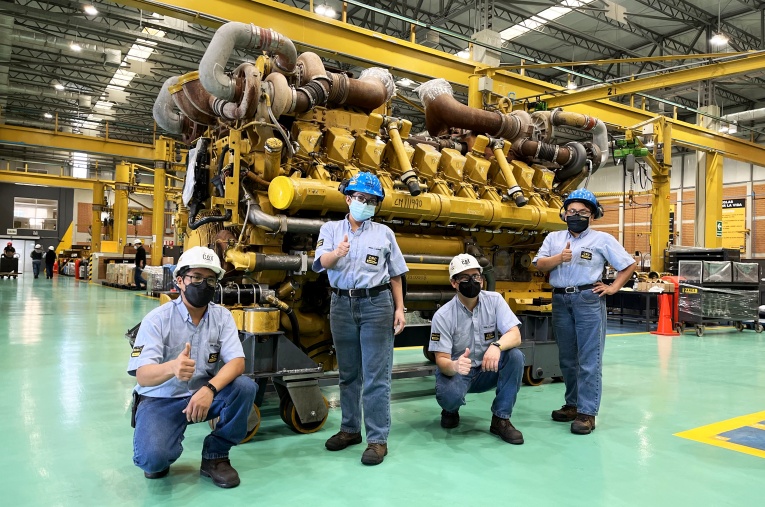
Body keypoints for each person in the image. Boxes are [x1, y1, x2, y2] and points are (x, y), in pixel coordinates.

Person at [127, 246, 257, 488]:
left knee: (244, 387)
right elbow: (143, 376)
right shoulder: (157, 319)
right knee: (152, 462)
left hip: (202, 395)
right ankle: (163, 447)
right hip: (161, 399)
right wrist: (172, 368)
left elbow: (237, 362)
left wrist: (209, 389)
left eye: (210, 280)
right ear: (180, 281)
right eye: (196, 277)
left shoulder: (222, 317)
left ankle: (216, 456)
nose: (203, 285)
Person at [312, 172, 408, 466]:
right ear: (348, 199)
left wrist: (400, 309)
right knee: (348, 374)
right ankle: (350, 430)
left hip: (376, 305)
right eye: (361, 199)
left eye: (372, 201)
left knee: (376, 376)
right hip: (341, 304)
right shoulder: (330, 230)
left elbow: (396, 274)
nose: (366, 204)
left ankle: (377, 440)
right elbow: (320, 263)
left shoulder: (384, 233)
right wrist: (337, 253)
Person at [533, 188, 636, 435]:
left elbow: (628, 265)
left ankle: (587, 412)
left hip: (588, 299)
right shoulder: (553, 238)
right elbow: (539, 264)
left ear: (592, 215)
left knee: (589, 359)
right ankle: (573, 404)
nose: (576, 215)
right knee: (567, 359)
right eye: (571, 211)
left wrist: (613, 288)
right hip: (560, 300)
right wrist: (559, 258)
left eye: (582, 212)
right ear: (564, 214)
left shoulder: (602, 239)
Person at [428, 254, 525, 444]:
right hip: (458, 373)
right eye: (465, 278)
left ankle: (501, 419)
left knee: (515, 356)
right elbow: (441, 360)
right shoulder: (443, 316)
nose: (472, 282)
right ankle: (450, 409)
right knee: (449, 396)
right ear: (454, 283)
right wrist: (454, 366)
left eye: (476, 276)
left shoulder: (495, 301)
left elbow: (515, 335)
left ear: (482, 279)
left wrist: (496, 346)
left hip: (487, 369)